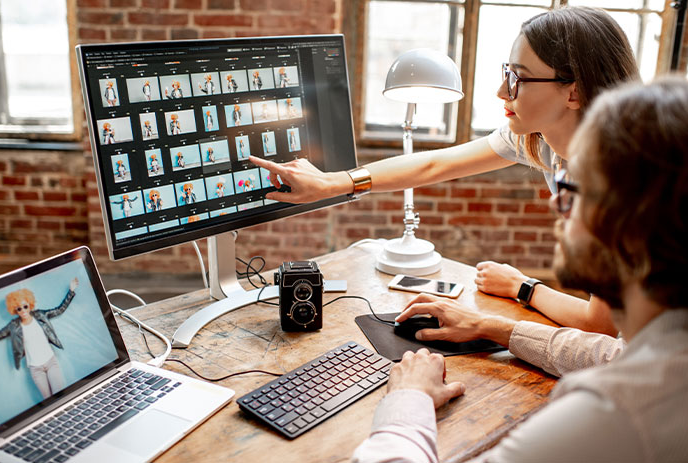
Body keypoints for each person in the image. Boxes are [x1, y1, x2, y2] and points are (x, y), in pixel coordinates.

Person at [351, 77, 688, 463]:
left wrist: (407, 400)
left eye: (574, 189)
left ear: (630, 223)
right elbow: (614, 353)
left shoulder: (620, 412)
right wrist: (492, 327)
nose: (555, 205)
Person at [251, 6, 638, 336]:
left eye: (518, 77)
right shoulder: (540, 139)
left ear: (574, 92)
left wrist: (522, 287)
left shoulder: (617, 178)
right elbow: (436, 163)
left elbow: (599, 325)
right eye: (507, 71)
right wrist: (332, 183)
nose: (502, 91)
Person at [0, 278, 79, 399]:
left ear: (30, 305)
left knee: (60, 396)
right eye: (19, 308)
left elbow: (59, 310)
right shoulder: (13, 326)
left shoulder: (41, 315)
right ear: (15, 310)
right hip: (35, 369)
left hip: (51, 362)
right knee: (48, 401)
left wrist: (71, 291)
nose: (23, 311)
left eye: (25, 306)